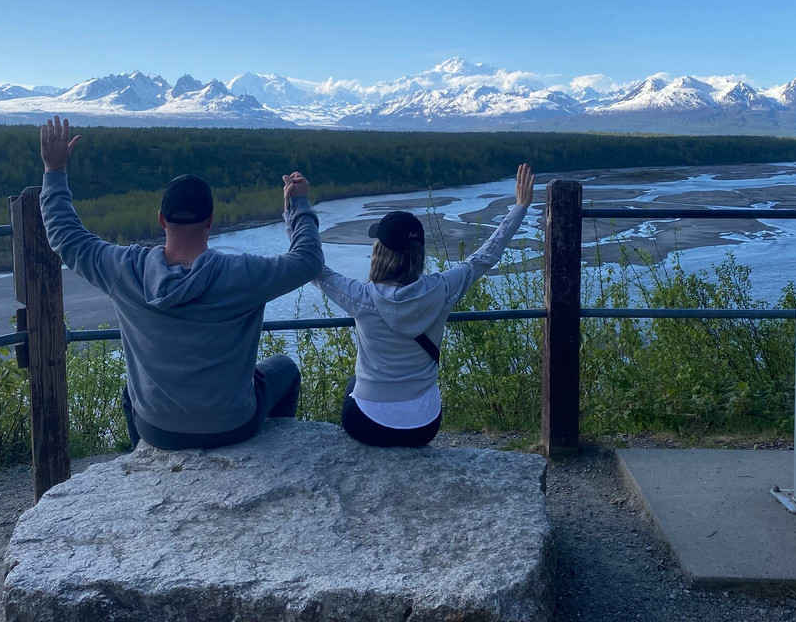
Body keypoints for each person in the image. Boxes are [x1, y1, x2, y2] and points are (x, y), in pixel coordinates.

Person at [38, 115, 323, 450]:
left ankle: (141, 458)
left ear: (161, 220)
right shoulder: (242, 274)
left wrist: (54, 170)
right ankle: (273, 449)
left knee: (132, 391)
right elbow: (307, 260)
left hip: (157, 429)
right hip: (234, 424)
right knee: (284, 369)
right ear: (211, 221)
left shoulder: (125, 270)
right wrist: (297, 205)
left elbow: (67, 237)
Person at [306, 163, 535, 447]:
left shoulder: (361, 297)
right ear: (420, 254)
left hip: (366, 425)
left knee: (354, 385)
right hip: (424, 426)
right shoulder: (443, 289)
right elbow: (485, 256)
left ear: (379, 253)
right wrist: (520, 207)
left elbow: (312, 267)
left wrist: (297, 208)